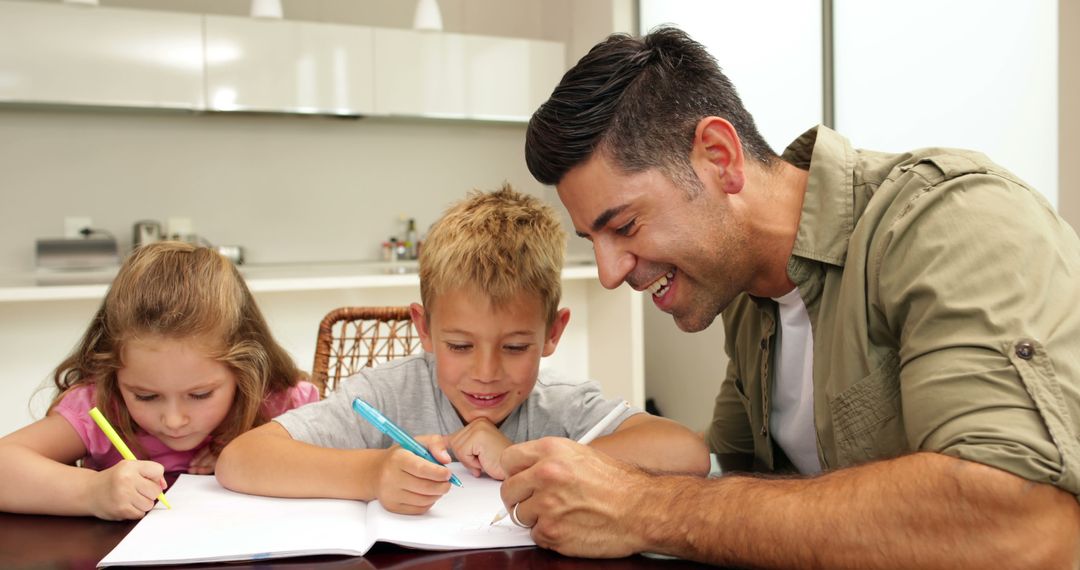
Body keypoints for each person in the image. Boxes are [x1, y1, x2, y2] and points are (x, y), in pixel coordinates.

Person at [501, 26, 1080, 568]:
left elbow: (1027, 526)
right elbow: (725, 477)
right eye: (592, 240)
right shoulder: (752, 301)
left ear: (719, 159)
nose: (608, 273)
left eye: (624, 226)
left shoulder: (951, 220)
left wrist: (643, 508)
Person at [215, 185, 710, 514]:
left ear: (552, 334)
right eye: (459, 345)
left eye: (516, 346)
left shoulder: (560, 404)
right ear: (424, 329)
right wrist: (372, 474)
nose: (486, 372)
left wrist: (518, 456)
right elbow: (241, 459)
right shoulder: (385, 395)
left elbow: (686, 452)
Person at [0, 241, 319, 521]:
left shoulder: (279, 403)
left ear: (246, 368)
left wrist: (250, 456)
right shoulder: (99, 406)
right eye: (146, 396)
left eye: (200, 394)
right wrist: (92, 492)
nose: (174, 420)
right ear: (113, 372)